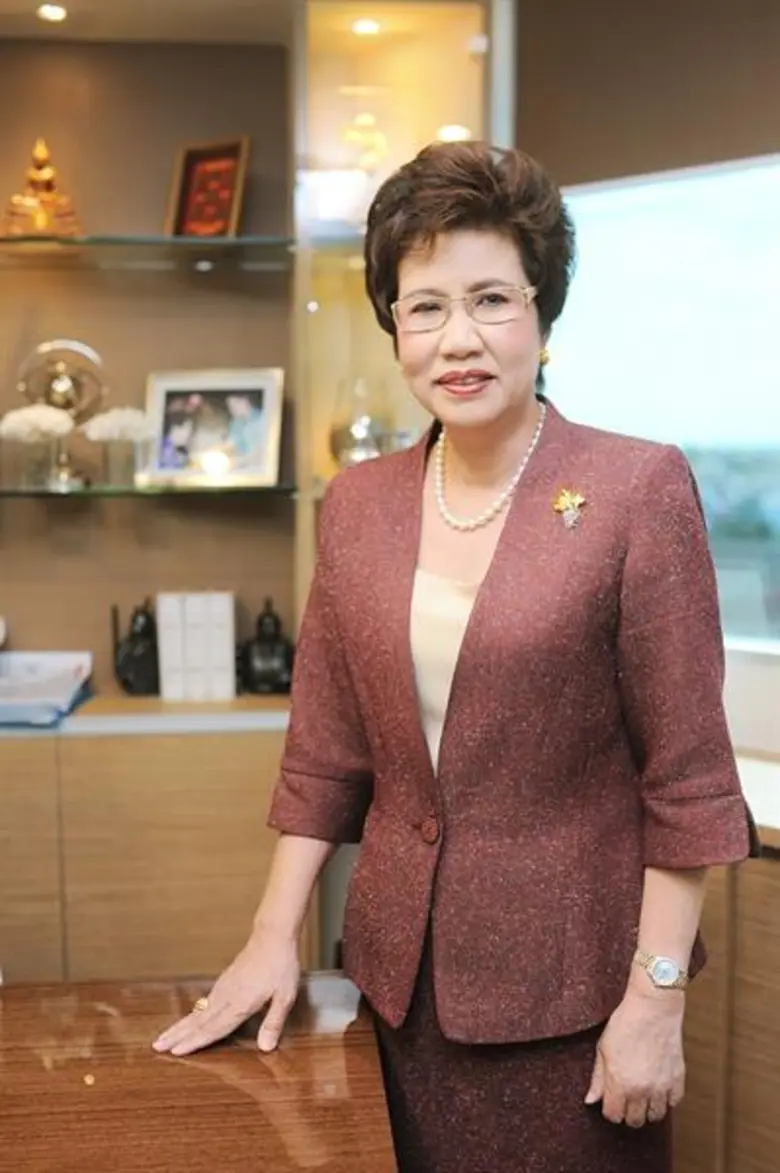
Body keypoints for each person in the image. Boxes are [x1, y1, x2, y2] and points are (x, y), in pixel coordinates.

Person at [153, 141, 760, 1172]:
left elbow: (688, 777)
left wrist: (655, 1001)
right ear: (394, 324)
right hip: (399, 986)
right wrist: (269, 937)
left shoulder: (636, 490)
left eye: (491, 300)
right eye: (425, 307)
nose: (459, 339)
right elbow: (326, 753)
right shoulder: (358, 505)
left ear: (543, 315)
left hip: (574, 1002)